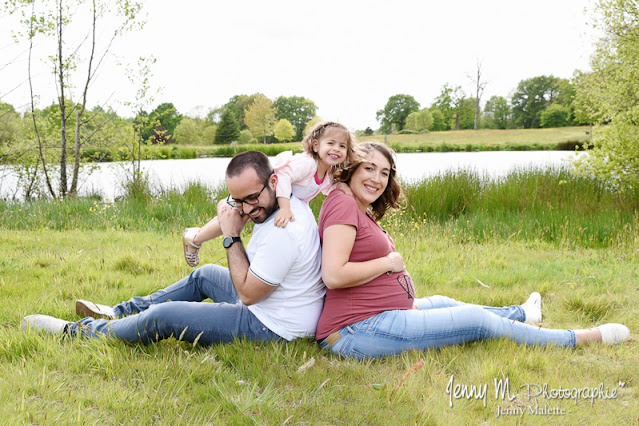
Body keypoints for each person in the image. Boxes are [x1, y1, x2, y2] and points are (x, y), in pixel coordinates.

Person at [315, 141, 630, 361]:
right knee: (476, 320)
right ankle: (578, 338)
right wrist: (387, 262)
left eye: (385, 172)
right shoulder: (343, 204)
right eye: (369, 168)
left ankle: (523, 314)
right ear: (353, 167)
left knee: (444, 302)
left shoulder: (351, 203)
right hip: (353, 332)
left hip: (373, 318)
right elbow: (334, 275)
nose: (377, 179)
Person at [22, 151, 326, 345]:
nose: (246, 209)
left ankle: (79, 332)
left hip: (274, 326)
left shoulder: (283, 232)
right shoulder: (284, 197)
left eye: (252, 198)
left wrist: (232, 237)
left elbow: (247, 295)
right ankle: (117, 313)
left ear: (274, 182)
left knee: (165, 317)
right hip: (276, 304)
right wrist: (231, 209)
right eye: (238, 200)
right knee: (204, 275)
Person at [182, 121, 360, 267]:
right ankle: (194, 240)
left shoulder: (328, 174)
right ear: (315, 145)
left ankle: (195, 234)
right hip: (259, 194)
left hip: (268, 203)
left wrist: (342, 187)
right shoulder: (308, 163)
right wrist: (285, 207)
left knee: (235, 216)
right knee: (231, 216)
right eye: (331, 143)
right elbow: (283, 176)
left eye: (342, 146)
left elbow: (326, 189)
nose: (336, 149)